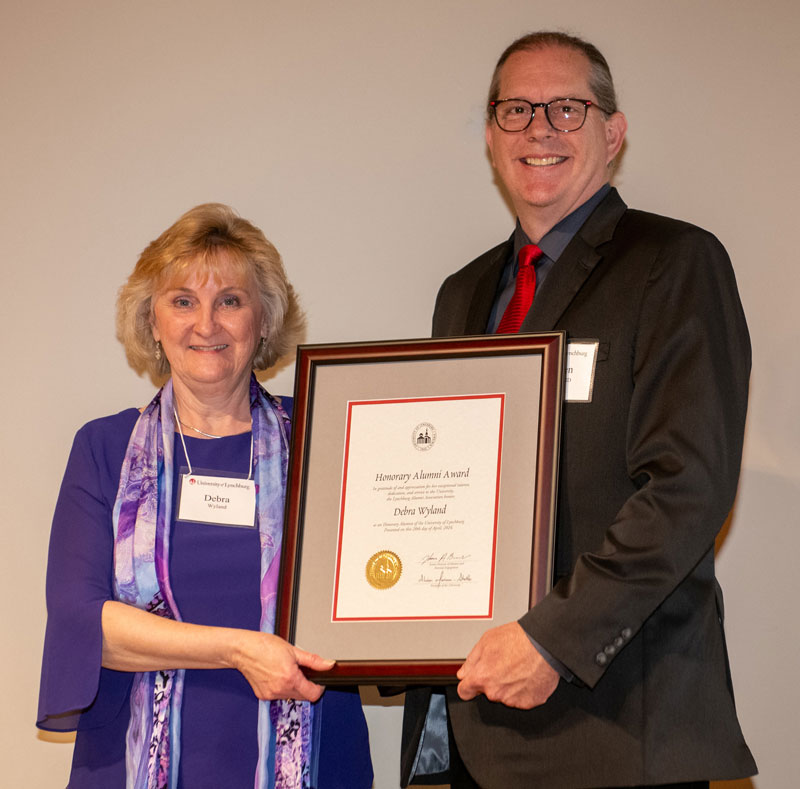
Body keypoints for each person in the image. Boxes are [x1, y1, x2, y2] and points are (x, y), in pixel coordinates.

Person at [401, 31, 757, 788]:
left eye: (567, 108)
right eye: (516, 110)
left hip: (619, 730)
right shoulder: (460, 294)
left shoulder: (674, 262)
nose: (539, 129)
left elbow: (685, 488)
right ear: (492, 136)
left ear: (613, 133)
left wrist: (553, 642)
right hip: (473, 727)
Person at [37, 203, 373, 788]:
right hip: (128, 762)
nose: (206, 324)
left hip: (314, 760)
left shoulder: (328, 441)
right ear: (152, 321)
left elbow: (375, 592)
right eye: (183, 301)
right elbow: (83, 620)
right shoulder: (104, 449)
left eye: (231, 301)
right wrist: (241, 651)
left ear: (264, 320)